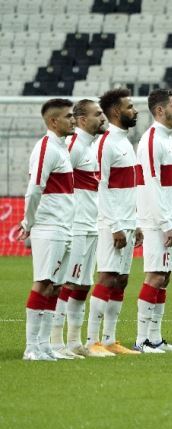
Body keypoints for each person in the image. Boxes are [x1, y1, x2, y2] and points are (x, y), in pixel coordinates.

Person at [16, 98, 76, 361]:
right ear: (54, 121)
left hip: (64, 227)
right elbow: (34, 189)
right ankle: (32, 347)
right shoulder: (46, 148)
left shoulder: (62, 148)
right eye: (68, 116)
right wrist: (27, 222)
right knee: (43, 283)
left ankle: (45, 345)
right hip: (49, 227)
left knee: (56, 285)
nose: (73, 120)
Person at [89, 88, 142, 355]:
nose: (135, 111)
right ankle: (91, 341)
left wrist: (136, 221)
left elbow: (128, 188)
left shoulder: (125, 142)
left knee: (121, 280)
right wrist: (114, 225)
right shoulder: (105, 143)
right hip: (111, 224)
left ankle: (110, 339)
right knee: (107, 276)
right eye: (130, 106)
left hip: (129, 221)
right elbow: (100, 187)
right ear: (115, 112)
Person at [134, 88, 172, 353]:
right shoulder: (152, 139)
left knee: (164, 277)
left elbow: (170, 187)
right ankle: (142, 339)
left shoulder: (166, 139)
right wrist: (165, 223)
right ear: (159, 111)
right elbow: (152, 184)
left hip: (165, 218)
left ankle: (155, 338)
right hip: (154, 220)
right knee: (154, 275)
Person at [59, 99, 109, 357]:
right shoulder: (73, 146)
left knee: (82, 284)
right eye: (97, 114)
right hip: (75, 225)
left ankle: (74, 342)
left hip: (91, 225)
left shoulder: (90, 146)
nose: (103, 118)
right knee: (67, 283)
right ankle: (56, 343)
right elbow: (57, 184)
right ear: (81, 120)